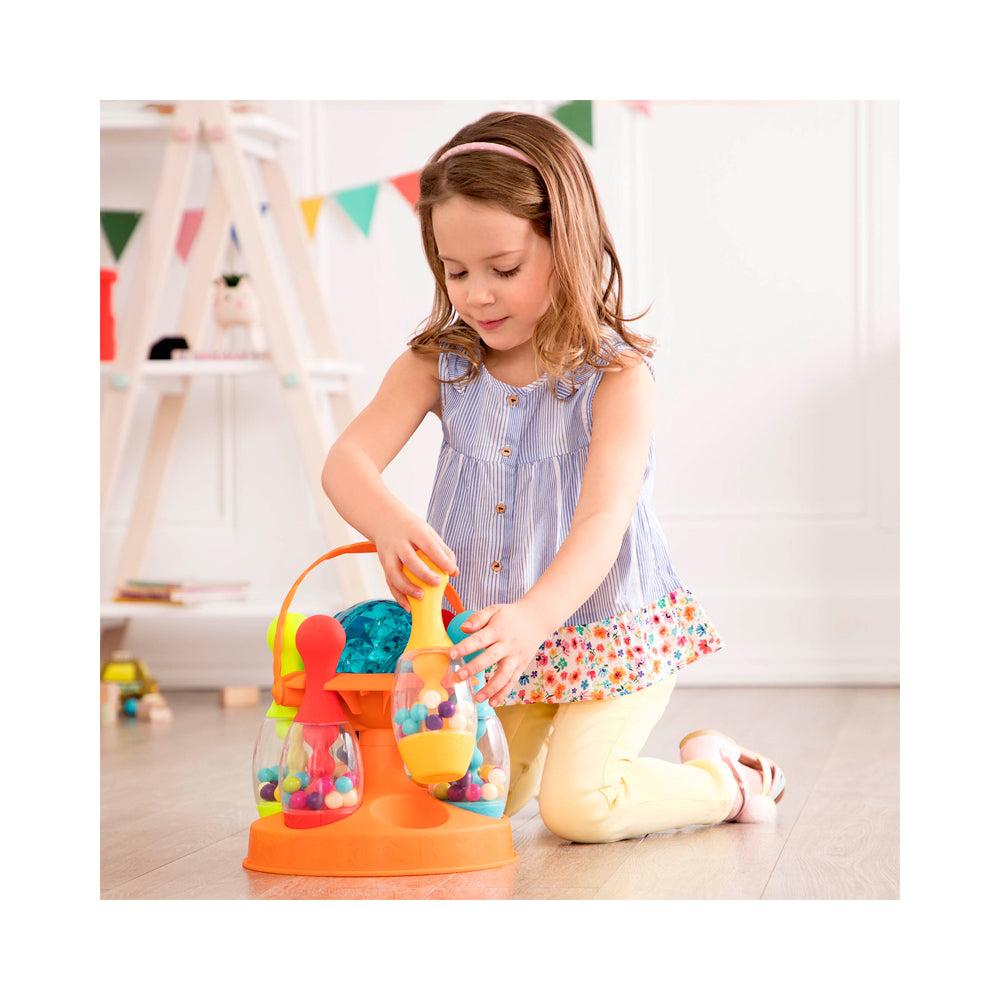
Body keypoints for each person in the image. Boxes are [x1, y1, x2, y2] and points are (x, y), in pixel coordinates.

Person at [322, 111, 785, 843]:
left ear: (565, 246)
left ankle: (726, 780)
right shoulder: (438, 365)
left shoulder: (616, 378)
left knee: (580, 809)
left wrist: (536, 619)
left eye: (503, 269)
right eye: (455, 271)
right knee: (471, 805)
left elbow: (603, 521)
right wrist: (388, 522)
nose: (476, 294)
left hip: (606, 632)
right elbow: (345, 462)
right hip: (497, 644)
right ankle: (559, 757)